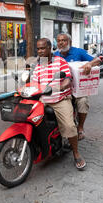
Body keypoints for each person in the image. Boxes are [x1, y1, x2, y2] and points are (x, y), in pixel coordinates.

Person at [32, 38, 86, 170]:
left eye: (43, 48)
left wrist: (61, 87)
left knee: (69, 126)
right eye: (38, 49)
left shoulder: (60, 61)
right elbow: (34, 82)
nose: (40, 51)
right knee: (30, 119)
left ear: (50, 48)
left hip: (60, 99)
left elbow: (68, 79)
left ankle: (76, 153)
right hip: (43, 99)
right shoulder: (38, 65)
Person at [54, 33, 101, 141]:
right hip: (61, 88)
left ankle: (80, 127)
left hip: (78, 89)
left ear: (69, 42)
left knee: (83, 101)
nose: (61, 43)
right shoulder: (55, 55)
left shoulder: (78, 52)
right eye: (59, 41)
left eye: (64, 40)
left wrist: (90, 64)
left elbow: (97, 60)